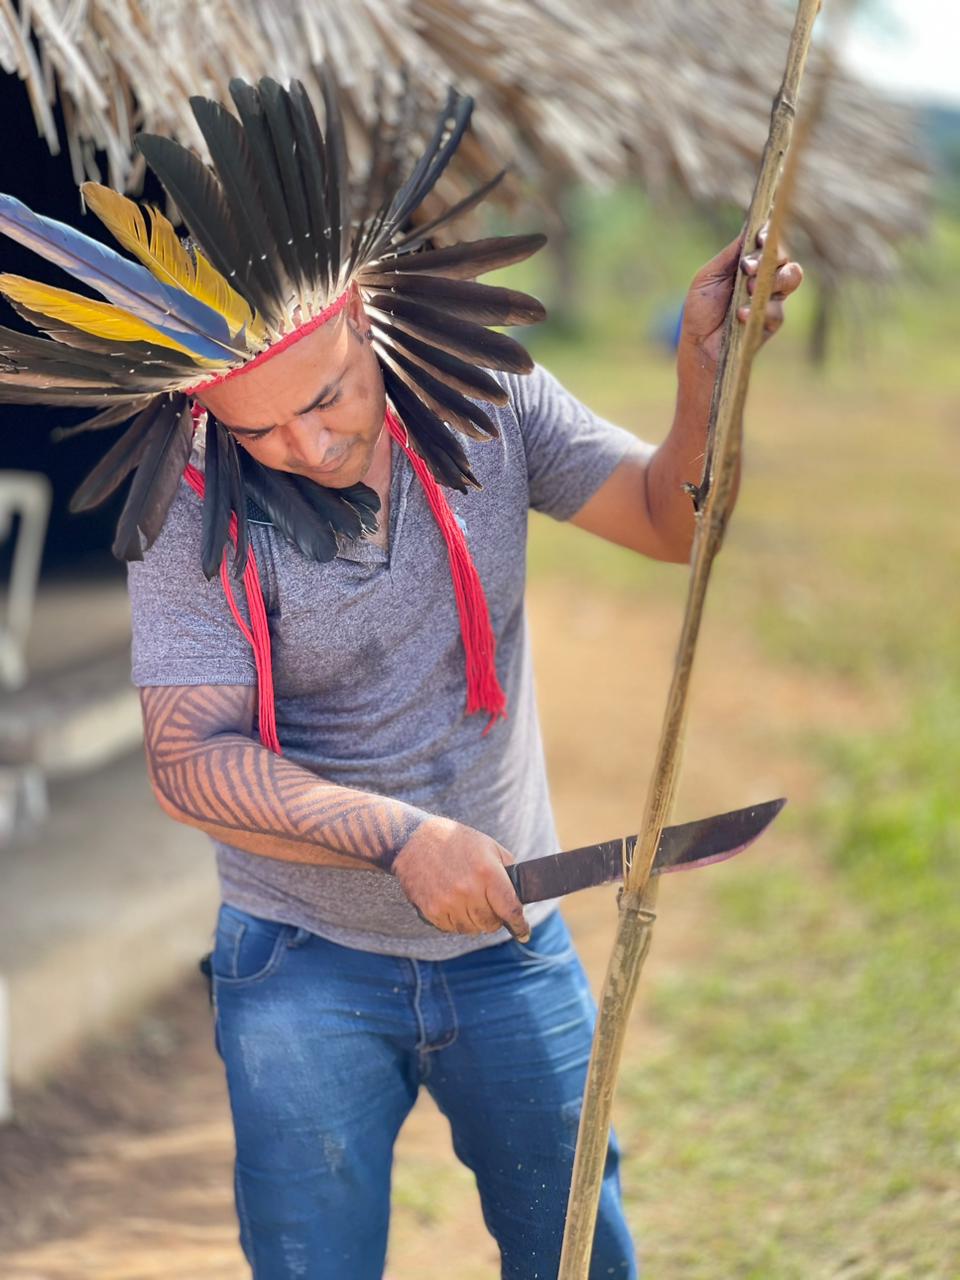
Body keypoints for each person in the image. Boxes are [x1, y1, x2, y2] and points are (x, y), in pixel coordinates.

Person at [0, 74, 802, 1280]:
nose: (308, 448)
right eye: (263, 429)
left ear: (370, 313)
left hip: (510, 938)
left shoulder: (486, 399)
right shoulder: (190, 502)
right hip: (298, 961)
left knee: (579, 1252)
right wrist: (398, 839)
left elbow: (666, 517)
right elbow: (188, 752)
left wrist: (706, 380)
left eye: (326, 397)